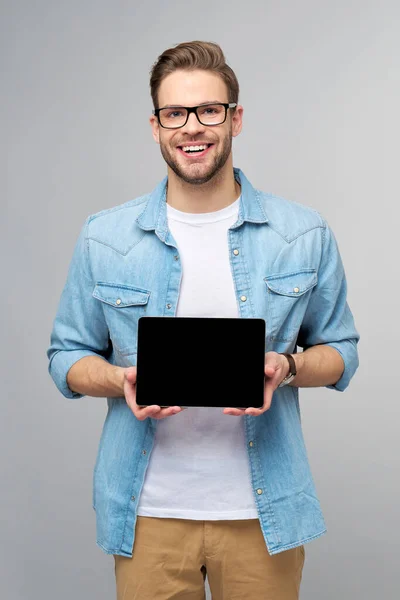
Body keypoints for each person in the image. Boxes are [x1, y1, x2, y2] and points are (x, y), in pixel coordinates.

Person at [47, 40, 359, 600]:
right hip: (148, 517)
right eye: (175, 114)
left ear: (235, 118)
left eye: (208, 110)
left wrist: (285, 366)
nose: (192, 127)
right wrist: (121, 380)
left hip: (264, 517)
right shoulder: (105, 237)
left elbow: (342, 352)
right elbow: (65, 357)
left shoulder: (302, 233)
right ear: (156, 125)